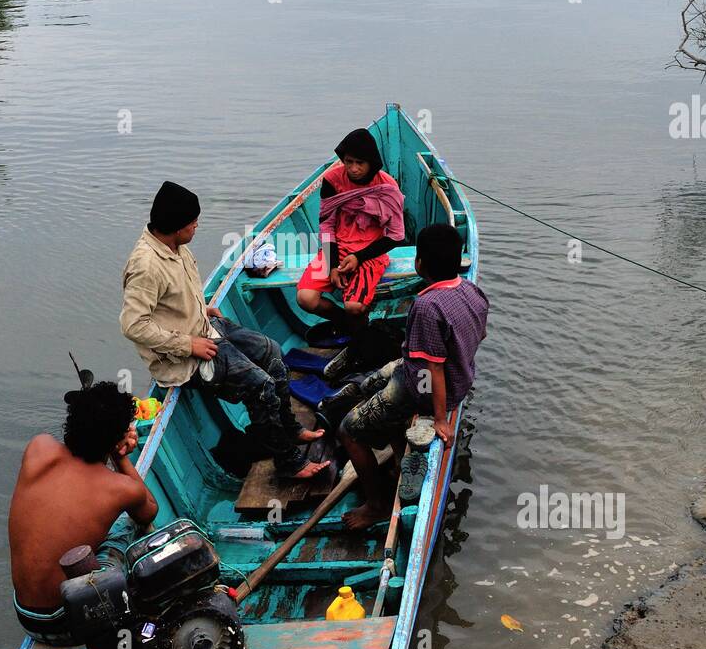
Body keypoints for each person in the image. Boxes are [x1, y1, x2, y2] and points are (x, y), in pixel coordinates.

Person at [120, 180, 329, 481]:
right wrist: (188, 345)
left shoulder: (174, 246)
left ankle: (290, 430)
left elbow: (170, 299)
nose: (196, 227)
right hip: (183, 358)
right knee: (261, 386)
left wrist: (199, 306)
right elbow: (133, 324)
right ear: (177, 226)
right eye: (192, 223)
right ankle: (289, 462)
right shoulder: (146, 266)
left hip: (203, 327)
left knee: (272, 350)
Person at [337, 223, 488, 531]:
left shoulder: (427, 306)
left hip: (421, 389)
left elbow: (432, 369)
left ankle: (376, 505)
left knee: (348, 430)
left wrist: (440, 420)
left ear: (419, 263)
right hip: (457, 378)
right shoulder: (471, 290)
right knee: (369, 384)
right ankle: (395, 460)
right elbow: (478, 337)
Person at [8, 382, 159, 644]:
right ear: (116, 438)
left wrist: (111, 442)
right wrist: (120, 455)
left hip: (25, 616)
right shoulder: (120, 489)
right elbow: (148, 511)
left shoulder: (38, 448)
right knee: (131, 528)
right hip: (67, 623)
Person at [297, 128, 405, 333]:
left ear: (371, 163)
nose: (353, 168)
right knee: (306, 299)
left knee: (354, 307)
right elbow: (327, 226)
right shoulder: (332, 180)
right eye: (349, 161)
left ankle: (358, 332)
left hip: (371, 252)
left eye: (360, 163)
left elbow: (396, 236)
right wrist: (333, 265)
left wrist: (359, 257)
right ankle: (344, 323)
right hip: (338, 247)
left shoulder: (387, 186)